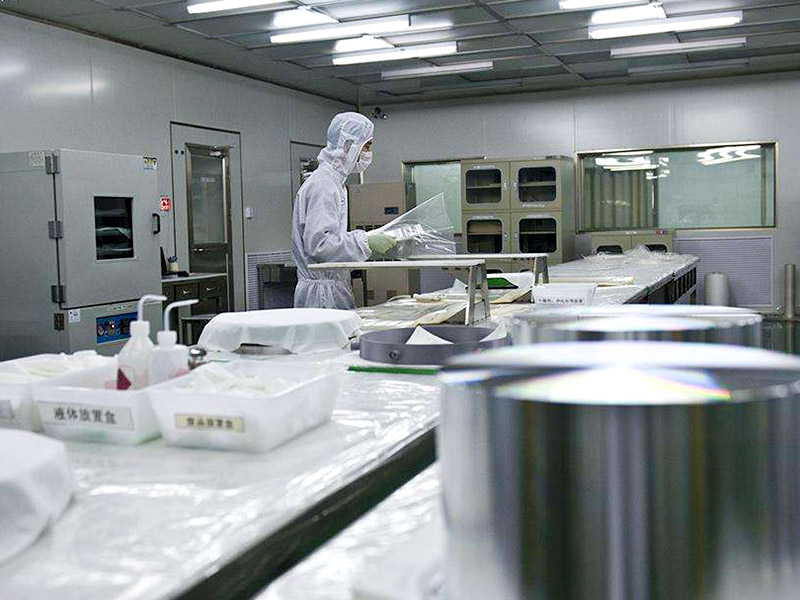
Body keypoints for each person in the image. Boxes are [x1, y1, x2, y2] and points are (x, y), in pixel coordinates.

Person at [292, 112, 396, 309]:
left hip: (331, 289)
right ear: (349, 144)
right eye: (367, 146)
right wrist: (365, 241)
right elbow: (320, 245)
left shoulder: (334, 183)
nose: (368, 153)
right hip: (322, 296)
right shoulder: (323, 185)